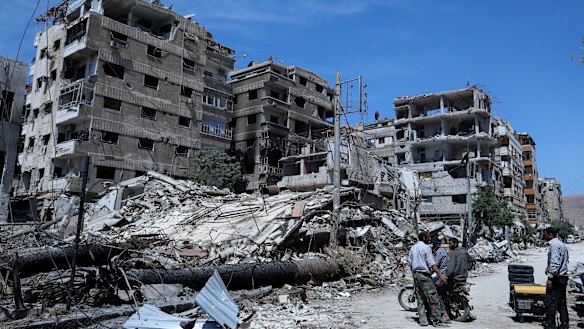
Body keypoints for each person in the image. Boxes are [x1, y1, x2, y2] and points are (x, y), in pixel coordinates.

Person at [409, 231, 449, 327]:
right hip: (424, 276)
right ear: (423, 238)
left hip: (416, 275)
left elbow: (410, 263)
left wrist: (415, 274)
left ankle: (423, 321)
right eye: (428, 237)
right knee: (433, 299)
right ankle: (437, 322)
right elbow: (432, 264)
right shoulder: (426, 248)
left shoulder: (413, 248)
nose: (430, 239)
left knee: (420, 299)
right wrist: (440, 276)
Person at [543, 227, 569, 329]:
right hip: (563, 278)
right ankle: (564, 325)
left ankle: (551, 326)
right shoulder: (562, 245)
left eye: (545, 234)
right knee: (562, 303)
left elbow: (555, 263)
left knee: (551, 302)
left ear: (550, 235)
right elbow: (562, 261)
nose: (543, 236)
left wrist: (550, 278)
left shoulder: (553, 245)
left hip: (556, 279)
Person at [432, 238, 450, 323]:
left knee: (435, 291)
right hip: (444, 272)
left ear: (438, 245)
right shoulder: (443, 251)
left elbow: (435, 264)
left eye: (434, 244)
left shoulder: (439, 252)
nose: (433, 246)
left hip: (442, 274)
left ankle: (442, 313)